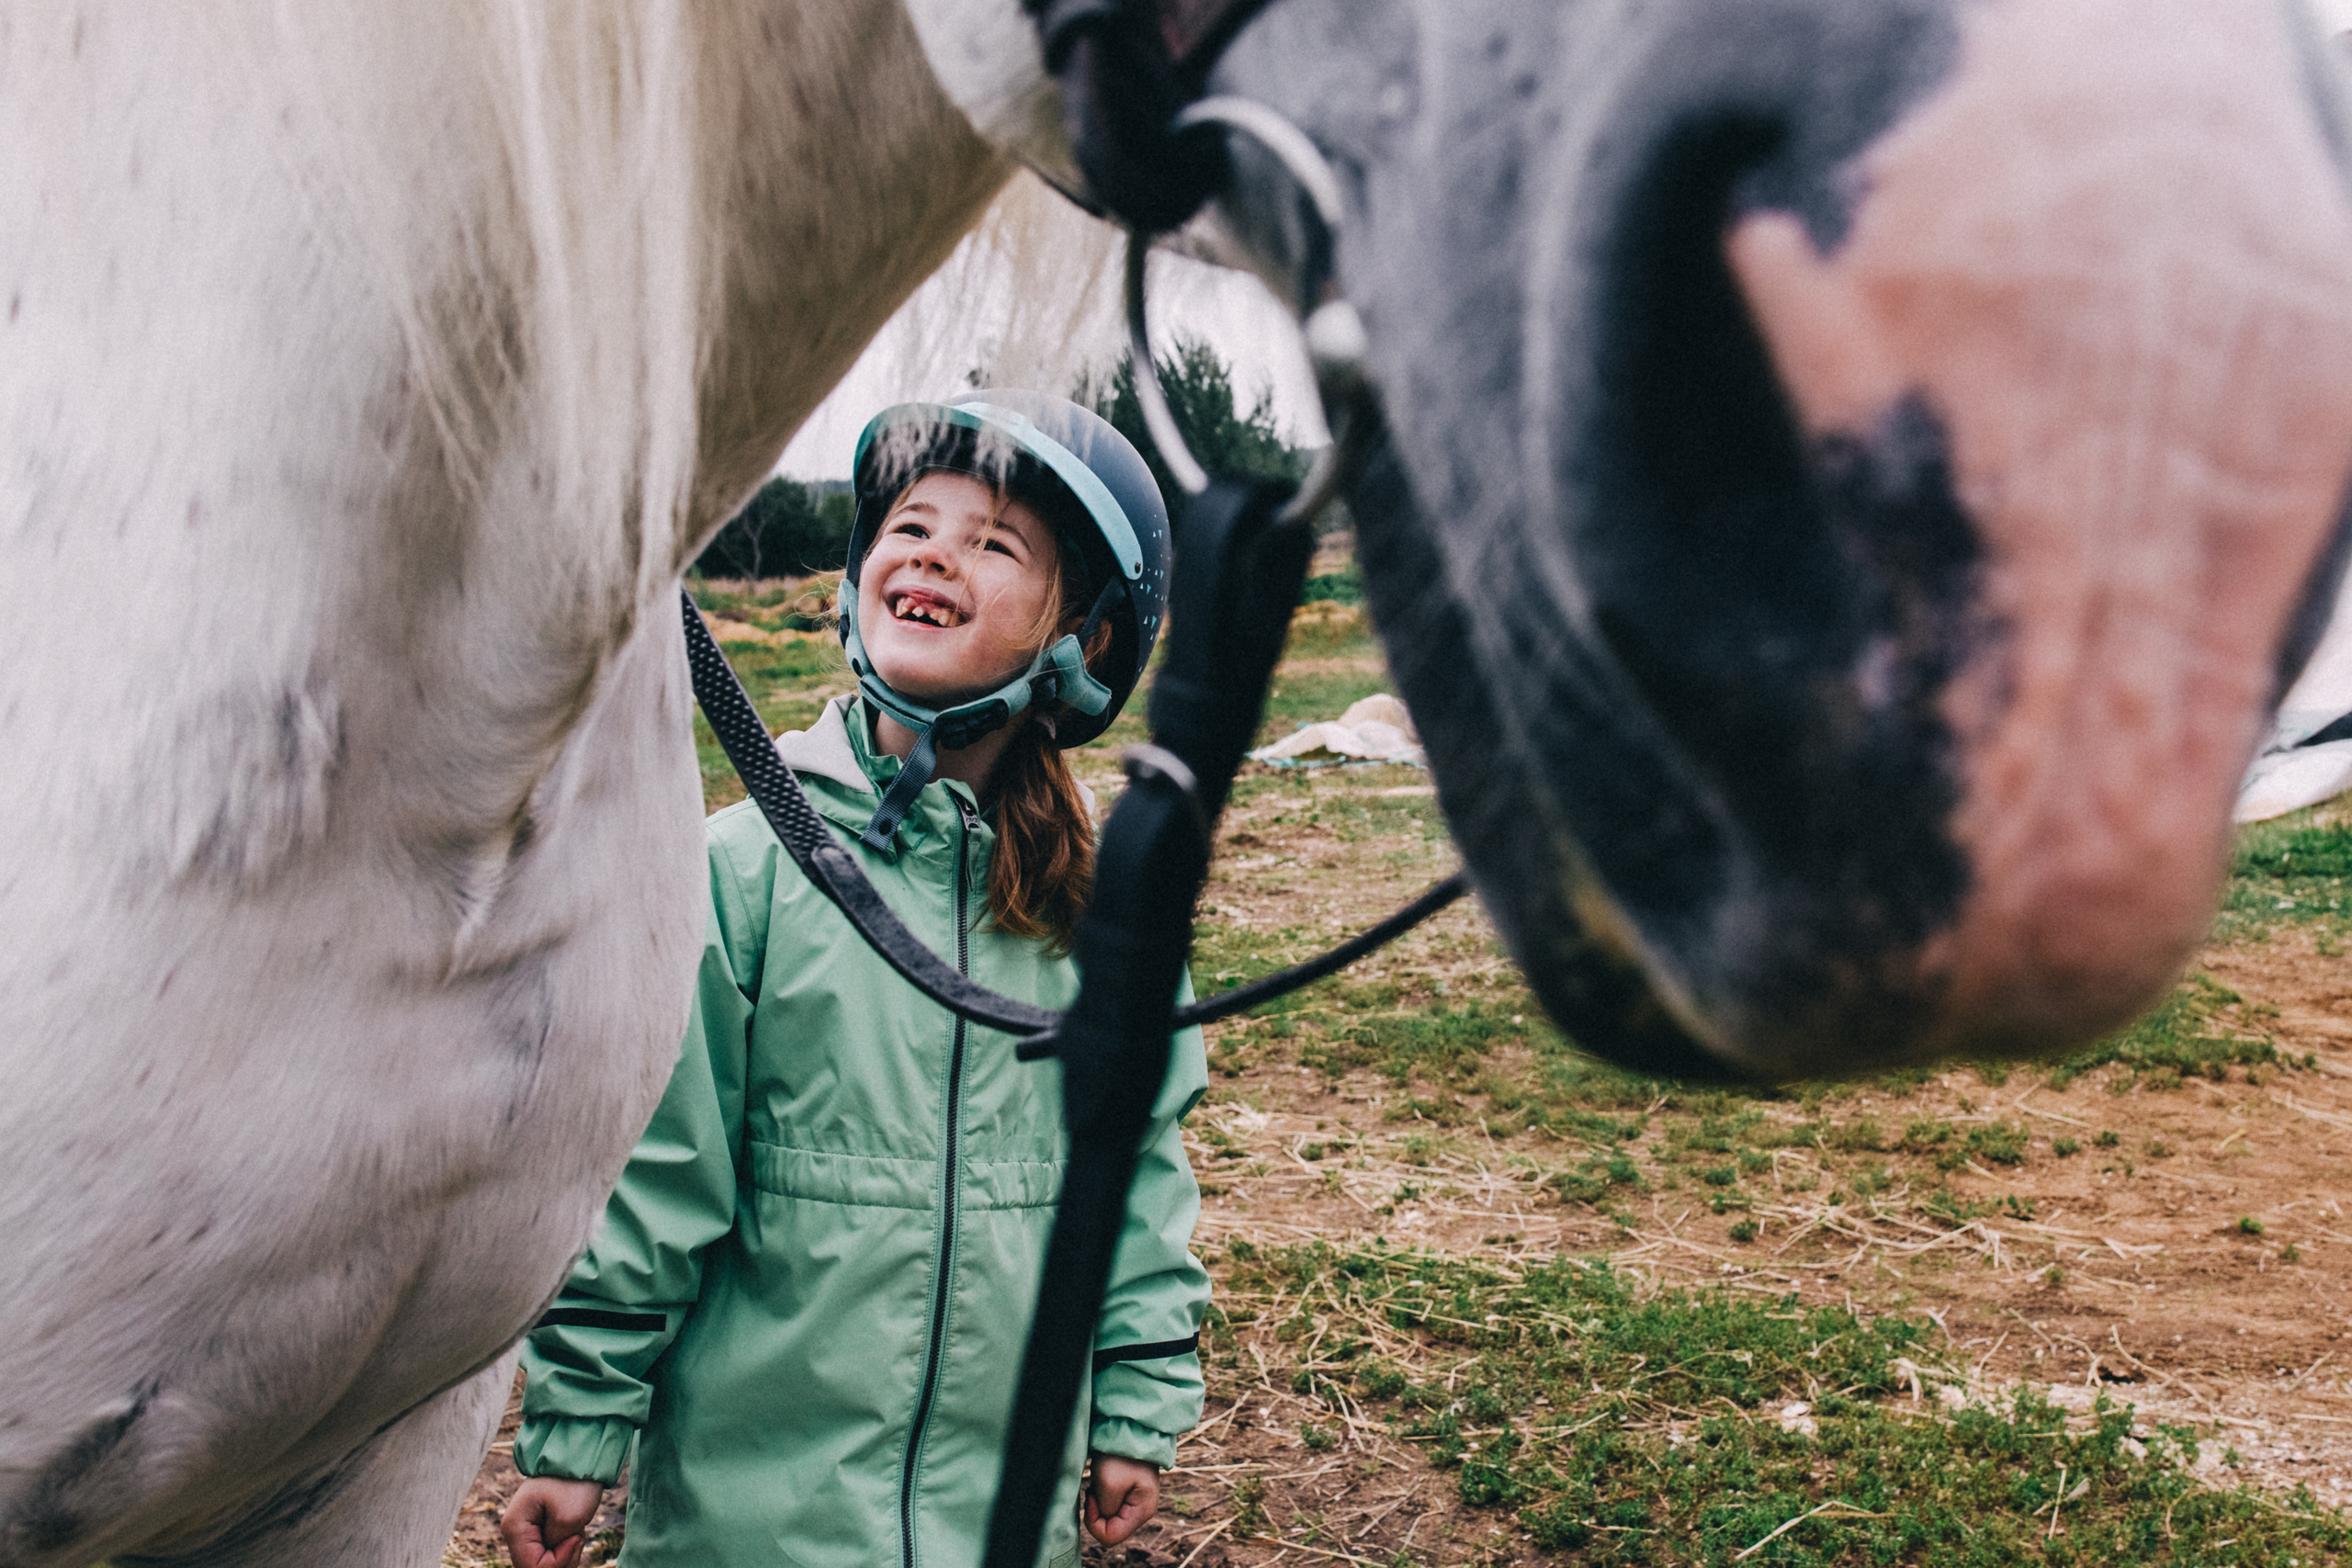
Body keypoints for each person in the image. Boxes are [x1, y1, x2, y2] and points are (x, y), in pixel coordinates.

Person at [500, 392, 1204, 1568]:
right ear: (857, 576)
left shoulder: (1104, 925)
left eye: (993, 543)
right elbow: (659, 1180)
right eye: (911, 526)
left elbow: (1135, 1179)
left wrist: (1133, 1405)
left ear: (1077, 644)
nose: (934, 553)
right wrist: (580, 1429)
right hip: (750, 1528)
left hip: (999, 1522)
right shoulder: (745, 871)